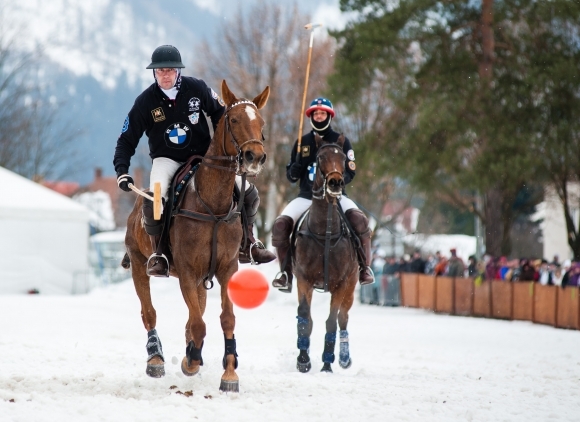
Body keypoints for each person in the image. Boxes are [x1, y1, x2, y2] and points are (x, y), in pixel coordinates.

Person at [113, 45, 274, 276]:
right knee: (155, 198)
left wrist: (233, 151)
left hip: (203, 157)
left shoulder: (197, 88)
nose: (165, 75)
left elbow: (223, 117)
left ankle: (249, 243)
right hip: (166, 160)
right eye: (160, 71)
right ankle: (159, 253)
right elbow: (126, 140)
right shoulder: (145, 102)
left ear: (178, 71)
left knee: (249, 192)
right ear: (154, 73)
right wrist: (122, 171)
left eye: (170, 70)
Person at [270, 97, 374, 291]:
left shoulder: (341, 141)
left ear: (329, 115)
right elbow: (291, 176)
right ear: (311, 116)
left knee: (360, 222)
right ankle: (286, 273)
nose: (319, 116)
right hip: (306, 197)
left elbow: (350, 171)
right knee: (280, 225)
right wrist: (295, 168)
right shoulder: (302, 142)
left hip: (336, 197)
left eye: (322, 113)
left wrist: (337, 184)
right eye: (315, 113)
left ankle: (364, 269)